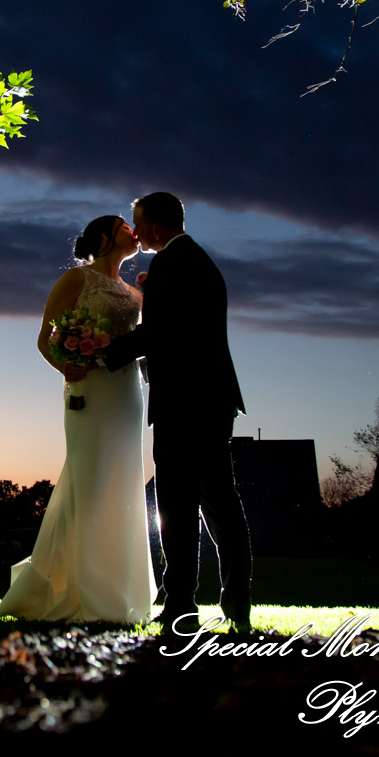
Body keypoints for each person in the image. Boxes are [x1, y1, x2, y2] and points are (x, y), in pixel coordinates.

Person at [0, 215, 157, 623]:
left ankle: (120, 588)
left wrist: (152, 296)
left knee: (123, 479)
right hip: (88, 390)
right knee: (89, 478)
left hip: (127, 394)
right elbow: (45, 338)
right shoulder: (75, 280)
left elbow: (148, 340)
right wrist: (67, 366)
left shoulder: (134, 292)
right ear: (103, 236)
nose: (133, 231)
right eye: (124, 225)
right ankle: (79, 588)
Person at [101, 191, 252, 637]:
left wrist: (103, 353)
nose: (135, 231)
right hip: (211, 399)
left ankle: (181, 605)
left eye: (137, 223)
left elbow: (158, 333)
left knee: (180, 507)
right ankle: (234, 603)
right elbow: (186, 325)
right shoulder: (197, 261)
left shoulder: (172, 262)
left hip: (184, 403)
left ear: (155, 226)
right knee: (219, 504)